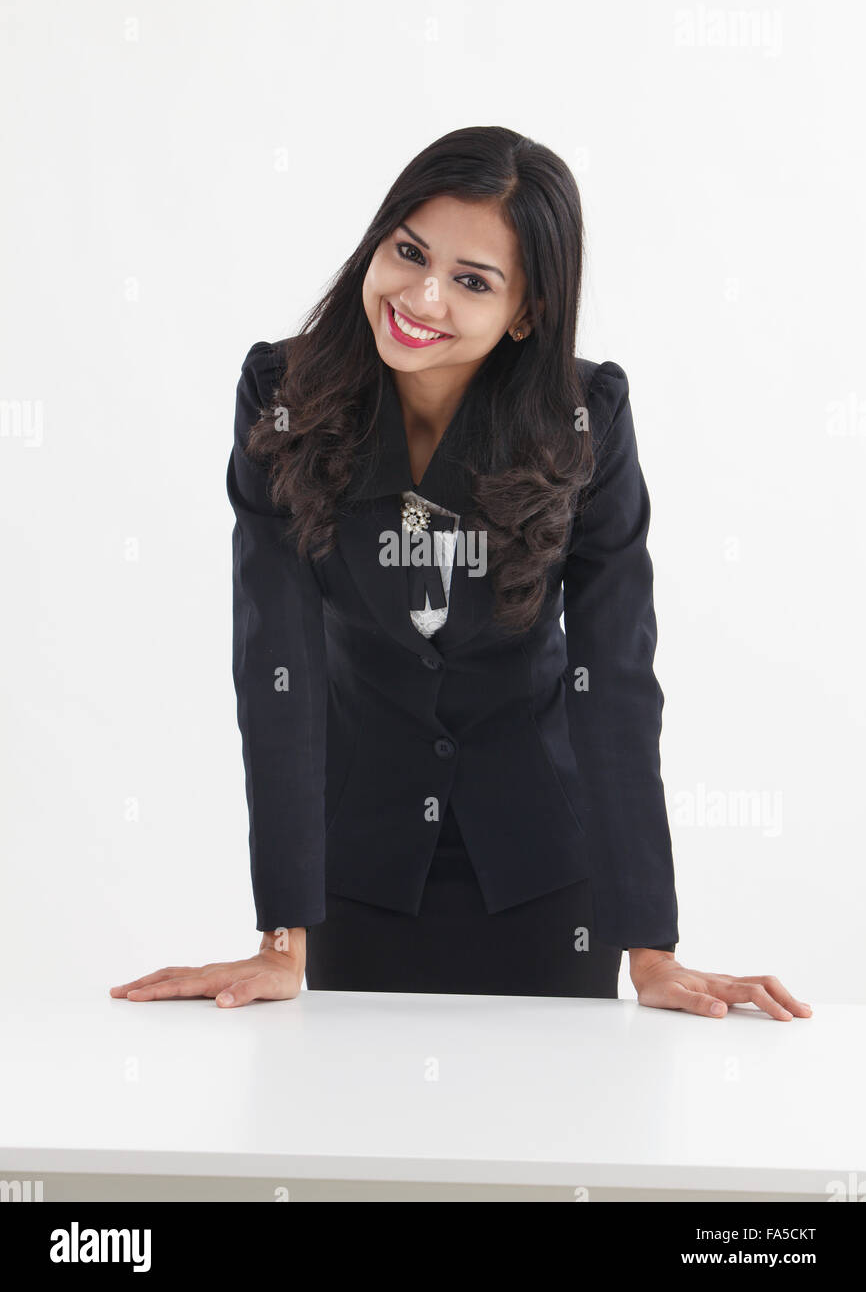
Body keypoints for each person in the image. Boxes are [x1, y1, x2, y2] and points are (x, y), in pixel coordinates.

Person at [111, 126, 810, 1022]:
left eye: (473, 281)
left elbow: (616, 682)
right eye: (409, 252)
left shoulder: (584, 420)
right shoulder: (282, 396)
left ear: (524, 311)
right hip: (358, 873)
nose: (423, 296)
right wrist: (283, 937)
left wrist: (653, 949)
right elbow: (275, 668)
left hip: (546, 878)